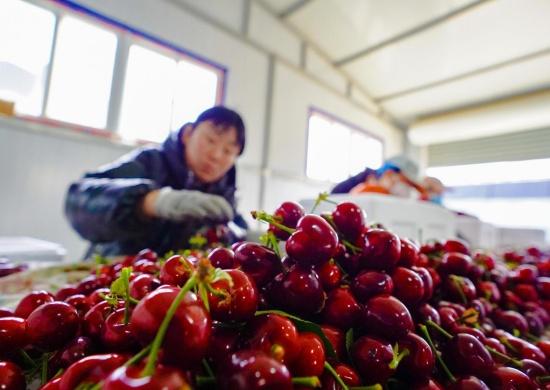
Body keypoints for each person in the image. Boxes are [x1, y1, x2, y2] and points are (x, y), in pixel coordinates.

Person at [65, 106, 247, 258]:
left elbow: (237, 227)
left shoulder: (224, 192)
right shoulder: (150, 162)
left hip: (176, 292)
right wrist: (147, 202)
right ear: (187, 134)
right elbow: (77, 199)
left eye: (228, 151)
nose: (216, 155)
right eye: (210, 140)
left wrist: (243, 238)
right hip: (112, 281)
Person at [331, 154, 422, 197]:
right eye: (401, 181)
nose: (402, 187)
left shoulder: (386, 193)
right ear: (389, 173)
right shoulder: (362, 178)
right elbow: (334, 194)